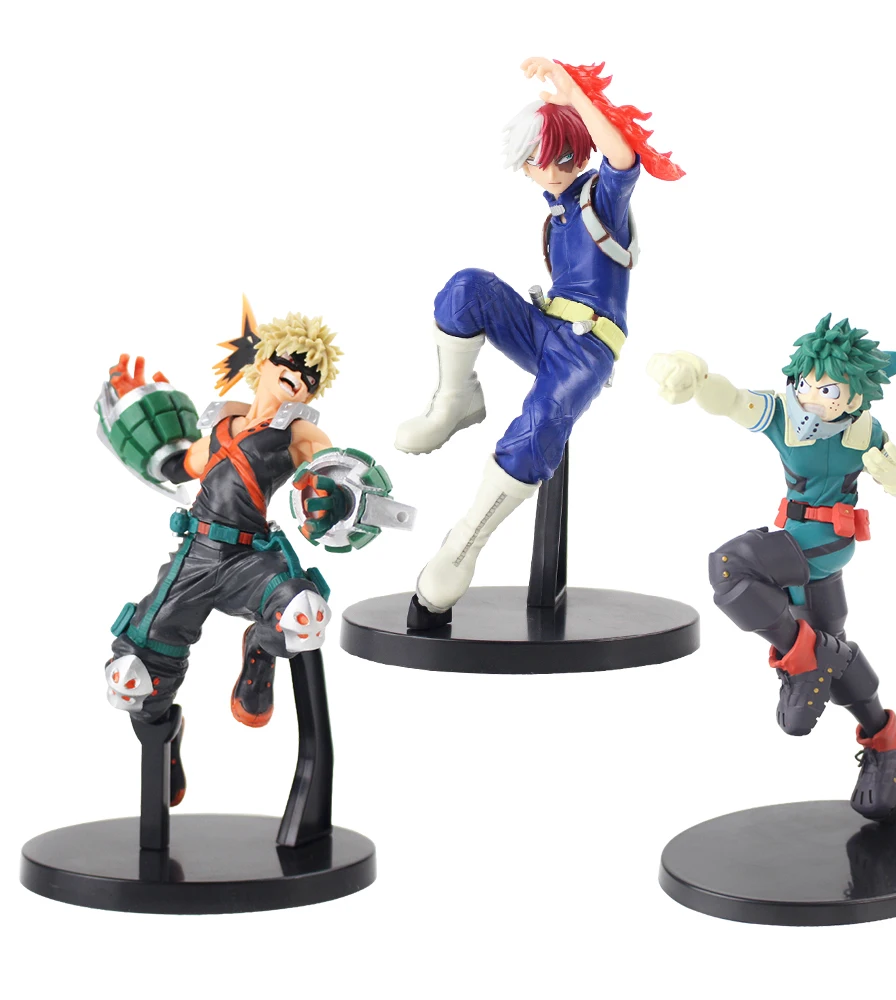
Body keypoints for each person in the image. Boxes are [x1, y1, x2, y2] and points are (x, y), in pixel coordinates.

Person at [397, 56, 683, 628]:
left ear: (582, 155)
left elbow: (624, 159)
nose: (550, 171)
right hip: (545, 327)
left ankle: (463, 546)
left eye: (564, 158)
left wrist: (575, 95)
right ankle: (455, 401)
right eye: (537, 160)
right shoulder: (555, 215)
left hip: (586, 349)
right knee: (467, 289)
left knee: (537, 430)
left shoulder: (601, 196)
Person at [648, 315, 896, 821]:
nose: (812, 396)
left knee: (729, 568)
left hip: (822, 544)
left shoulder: (865, 432)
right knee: (835, 656)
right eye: (805, 383)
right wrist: (696, 378)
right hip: (802, 549)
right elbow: (733, 400)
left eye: (828, 389)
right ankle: (888, 740)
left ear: (856, 394)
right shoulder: (784, 416)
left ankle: (803, 657)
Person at [98, 303, 351, 805]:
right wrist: (138, 417)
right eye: (292, 364)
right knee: (133, 676)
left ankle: (261, 649)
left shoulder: (298, 432)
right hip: (195, 554)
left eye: (311, 377)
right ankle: (163, 735)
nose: (300, 378)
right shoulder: (220, 425)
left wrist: (336, 494)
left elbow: (329, 464)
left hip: (250, 558)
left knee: (301, 614)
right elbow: (177, 465)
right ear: (265, 361)